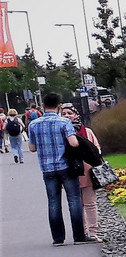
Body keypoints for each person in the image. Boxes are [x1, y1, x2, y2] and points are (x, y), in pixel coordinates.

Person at [26, 93, 89, 245]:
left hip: (47, 168)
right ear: (59, 106)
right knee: (74, 200)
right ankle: (79, 236)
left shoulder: (33, 124)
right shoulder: (64, 122)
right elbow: (73, 143)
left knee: (53, 201)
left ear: (43, 106)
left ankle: (58, 238)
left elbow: (32, 148)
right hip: (66, 166)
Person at [63, 103, 105, 241]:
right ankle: (82, 232)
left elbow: (97, 148)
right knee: (76, 204)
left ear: (76, 115)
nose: (67, 116)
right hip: (70, 172)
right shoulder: (61, 132)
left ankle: (93, 232)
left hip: (87, 171)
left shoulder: (87, 131)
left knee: (90, 202)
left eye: (70, 113)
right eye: (64, 114)